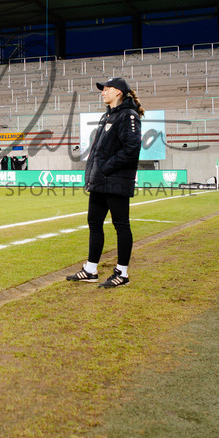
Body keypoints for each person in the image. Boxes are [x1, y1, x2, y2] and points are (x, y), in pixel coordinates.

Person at [67, 77, 143, 288]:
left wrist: (106, 169)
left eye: (107, 89)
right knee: (94, 223)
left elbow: (131, 149)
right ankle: (91, 270)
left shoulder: (129, 116)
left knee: (121, 225)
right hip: (101, 181)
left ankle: (122, 273)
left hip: (116, 180)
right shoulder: (107, 116)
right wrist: (93, 173)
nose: (103, 92)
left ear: (118, 92)